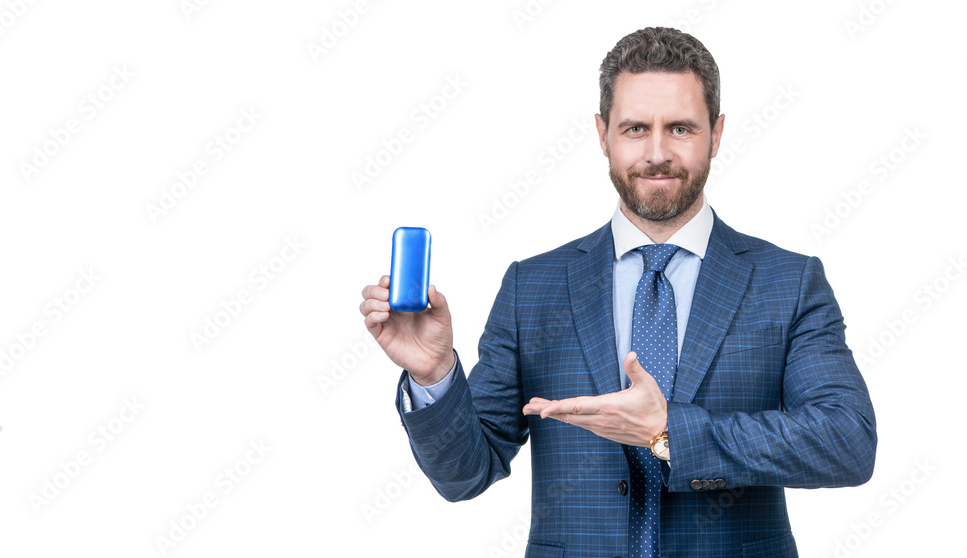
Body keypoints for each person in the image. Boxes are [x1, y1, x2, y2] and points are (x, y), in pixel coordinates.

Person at [359, 26, 875, 558]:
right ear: (603, 134)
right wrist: (434, 375)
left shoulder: (787, 282)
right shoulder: (532, 287)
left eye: (680, 128)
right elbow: (467, 473)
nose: (656, 153)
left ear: (716, 134)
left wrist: (669, 431)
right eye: (634, 128)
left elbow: (847, 442)